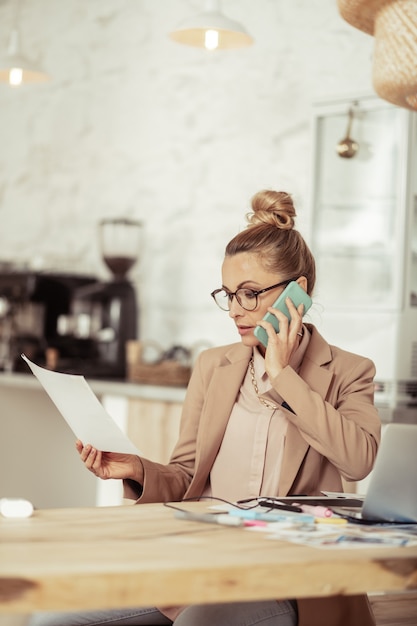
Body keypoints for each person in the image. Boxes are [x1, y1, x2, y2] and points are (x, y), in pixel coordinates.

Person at [29, 190, 381, 626]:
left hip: (289, 578)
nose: (236, 310)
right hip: (200, 562)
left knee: (201, 621)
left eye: (250, 293)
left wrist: (283, 374)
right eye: (229, 294)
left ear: (298, 293)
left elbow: (359, 459)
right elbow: (185, 477)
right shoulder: (214, 365)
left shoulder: (348, 370)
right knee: (52, 619)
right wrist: (137, 471)